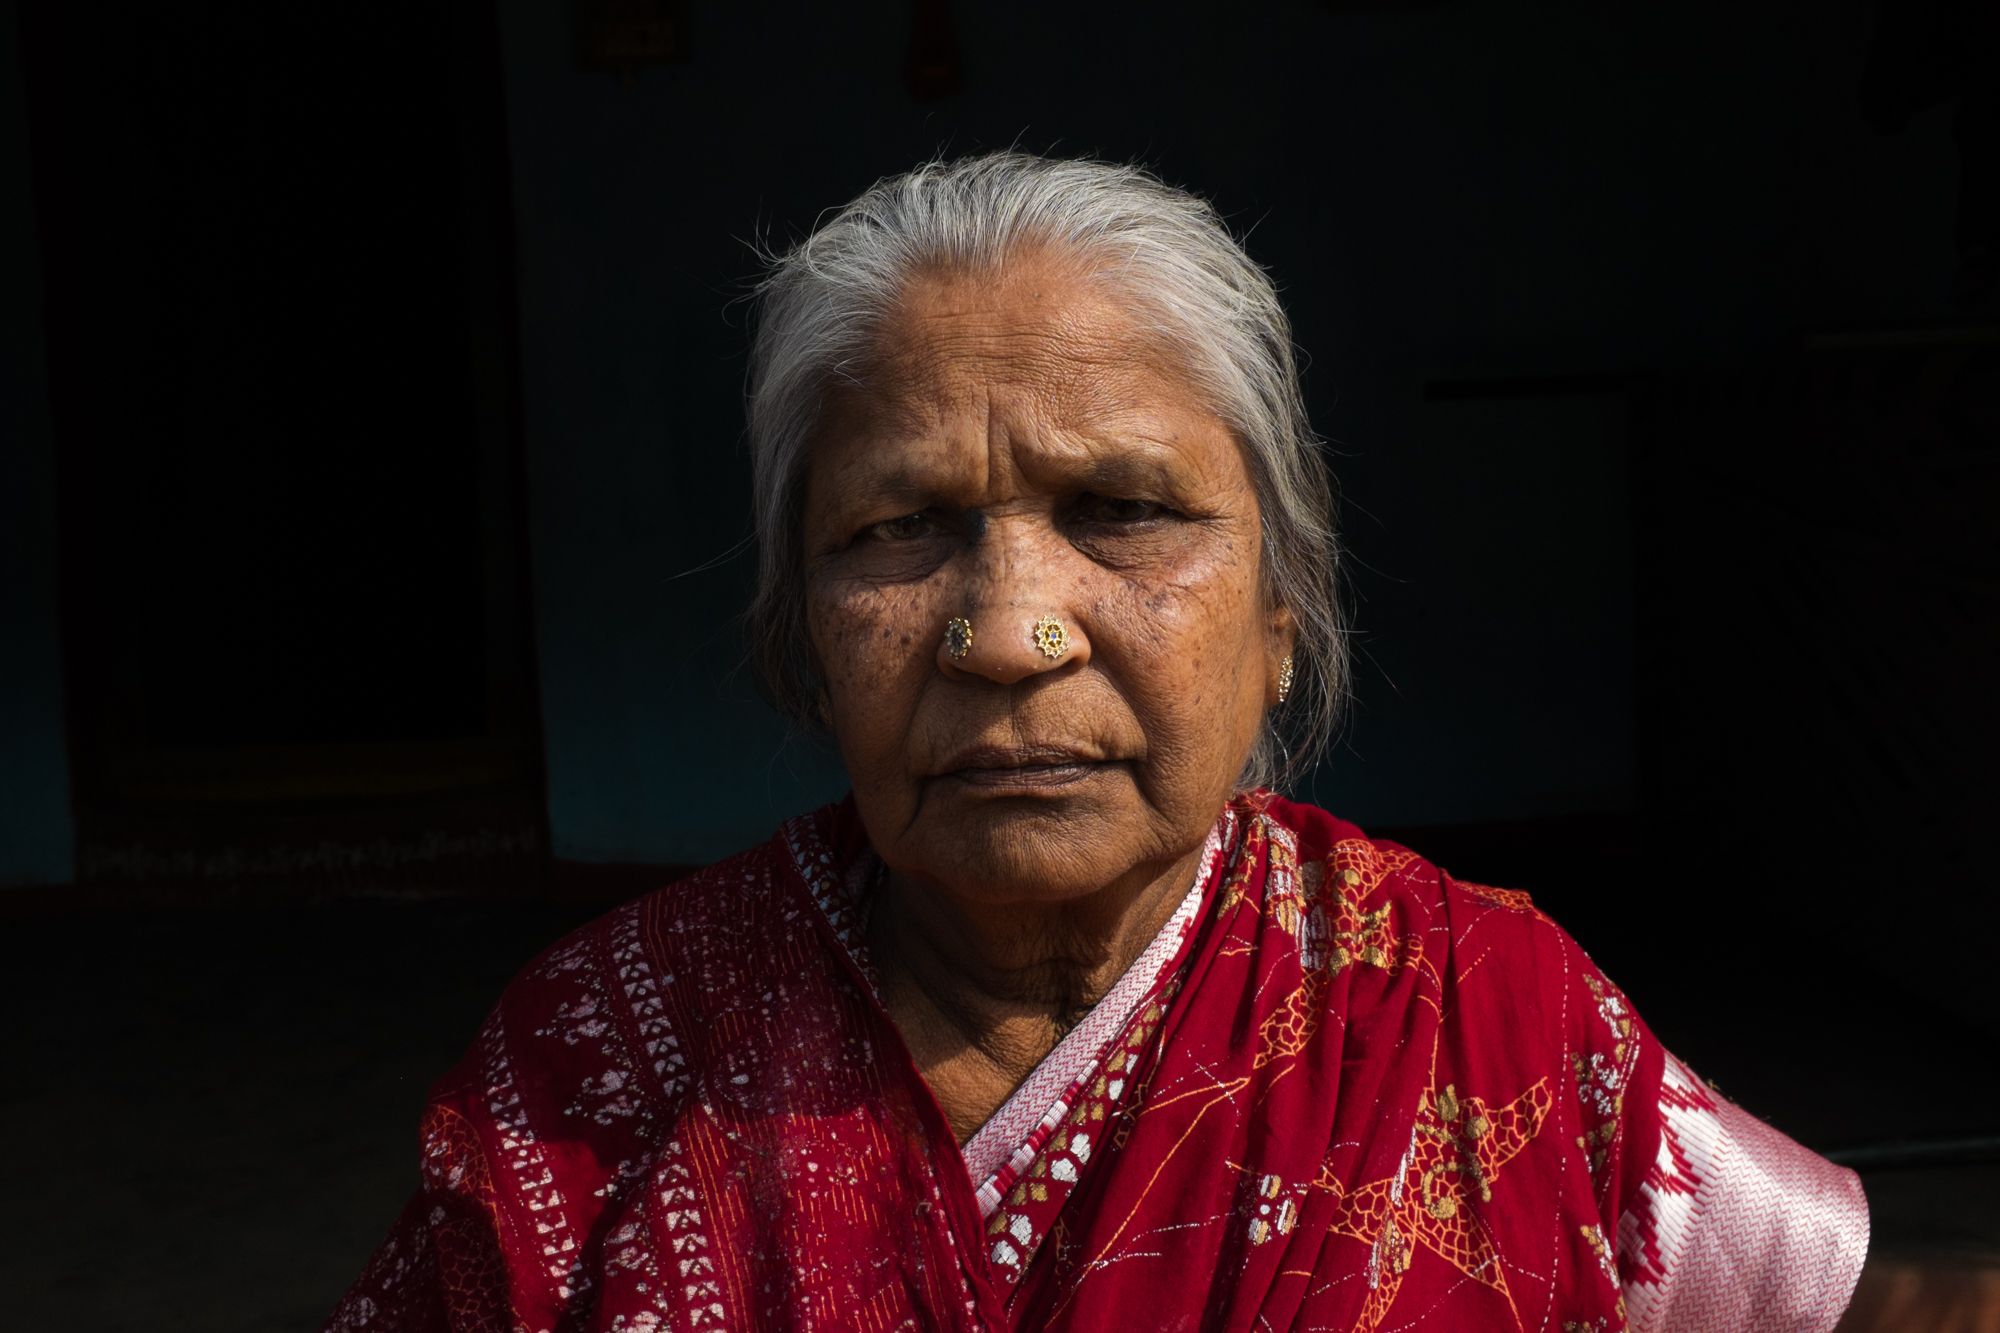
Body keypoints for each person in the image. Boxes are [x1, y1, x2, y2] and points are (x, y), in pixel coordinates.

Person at [324, 152, 1868, 1332]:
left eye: (1122, 511)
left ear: (1280, 611)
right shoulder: (596, 1053)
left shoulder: (1487, 1016)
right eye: (900, 527)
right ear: (802, 637)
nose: (1009, 632)